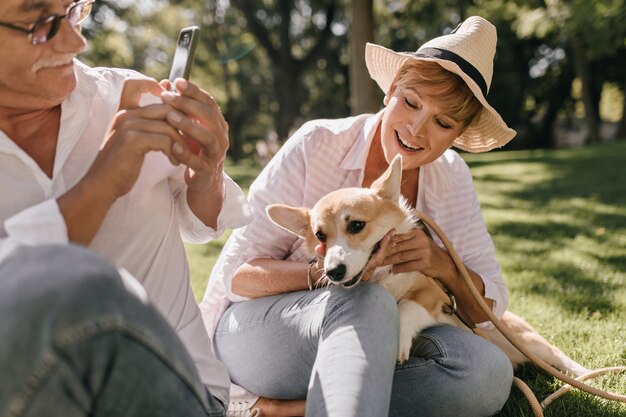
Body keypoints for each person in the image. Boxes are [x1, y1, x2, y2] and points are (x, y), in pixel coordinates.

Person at [200, 16, 516, 417]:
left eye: (442, 122)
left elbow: (491, 307)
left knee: (486, 373)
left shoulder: (452, 177)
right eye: (411, 102)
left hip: (373, 343)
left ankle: (294, 409)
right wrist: (329, 272)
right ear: (391, 92)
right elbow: (236, 277)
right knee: (367, 298)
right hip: (264, 334)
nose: (417, 130)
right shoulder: (317, 143)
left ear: (459, 136)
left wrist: (440, 264)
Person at [0, 0, 250, 415]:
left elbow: (199, 223)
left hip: (182, 384)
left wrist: (207, 173)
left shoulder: (130, 97)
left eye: (73, 11)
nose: (76, 40)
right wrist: (102, 182)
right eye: (40, 23)